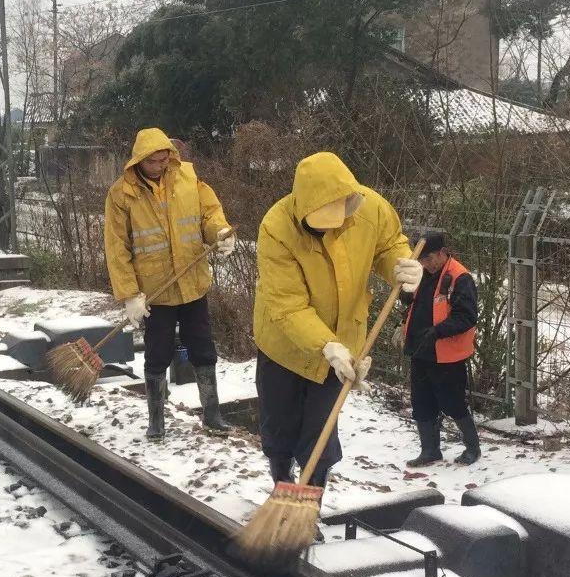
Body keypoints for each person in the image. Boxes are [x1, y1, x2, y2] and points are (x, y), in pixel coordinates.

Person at [253, 152, 422, 485]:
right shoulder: (276, 227)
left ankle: (309, 503)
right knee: (279, 426)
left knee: (321, 432)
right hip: (283, 345)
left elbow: (389, 245)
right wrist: (325, 345)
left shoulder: (371, 207)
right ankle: (281, 485)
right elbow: (287, 305)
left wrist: (401, 265)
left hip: (343, 349)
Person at [104, 128, 235, 439]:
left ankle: (212, 414)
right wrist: (130, 294)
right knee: (158, 353)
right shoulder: (121, 195)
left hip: (192, 284)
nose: (162, 166)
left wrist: (219, 232)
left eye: (165, 159)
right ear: (139, 161)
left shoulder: (187, 178)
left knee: (202, 348)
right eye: (154, 162)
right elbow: (117, 246)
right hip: (156, 293)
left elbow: (209, 214)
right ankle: (156, 420)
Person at [399, 232, 481, 467]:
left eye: (430, 258)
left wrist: (437, 331)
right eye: (422, 260)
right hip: (420, 349)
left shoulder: (459, 277)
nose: (426, 264)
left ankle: (472, 448)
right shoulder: (421, 273)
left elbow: (466, 317)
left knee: (453, 402)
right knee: (421, 402)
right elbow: (411, 301)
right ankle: (429, 450)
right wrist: (404, 291)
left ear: (443, 252)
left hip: (447, 354)